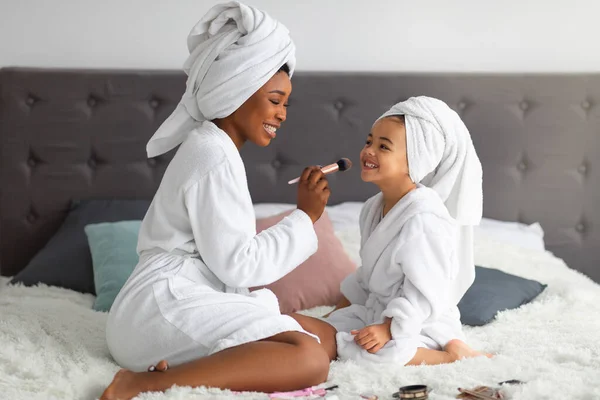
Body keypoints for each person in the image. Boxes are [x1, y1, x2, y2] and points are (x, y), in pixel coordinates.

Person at [101, 3, 331, 399]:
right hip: (161, 308)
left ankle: (179, 367)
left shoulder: (212, 147)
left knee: (319, 336)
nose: (282, 114)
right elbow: (239, 265)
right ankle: (140, 383)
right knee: (310, 356)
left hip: (172, 304)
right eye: (275, 100)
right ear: (239, 88)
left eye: (286, 104)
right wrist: (305, 217)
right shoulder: (212, 153)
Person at [323, 96, 492, 365]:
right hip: (380, 311)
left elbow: (426, 291)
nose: (369, 151)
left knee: (367, 354)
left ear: (416, 159)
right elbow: (368, 274)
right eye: (369, 141)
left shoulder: (425, 218)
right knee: (311, 329)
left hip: (420, 317)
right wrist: (334, 314)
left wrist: (389, 328)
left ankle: (449, 355)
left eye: (383, 146)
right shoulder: (372, 208)